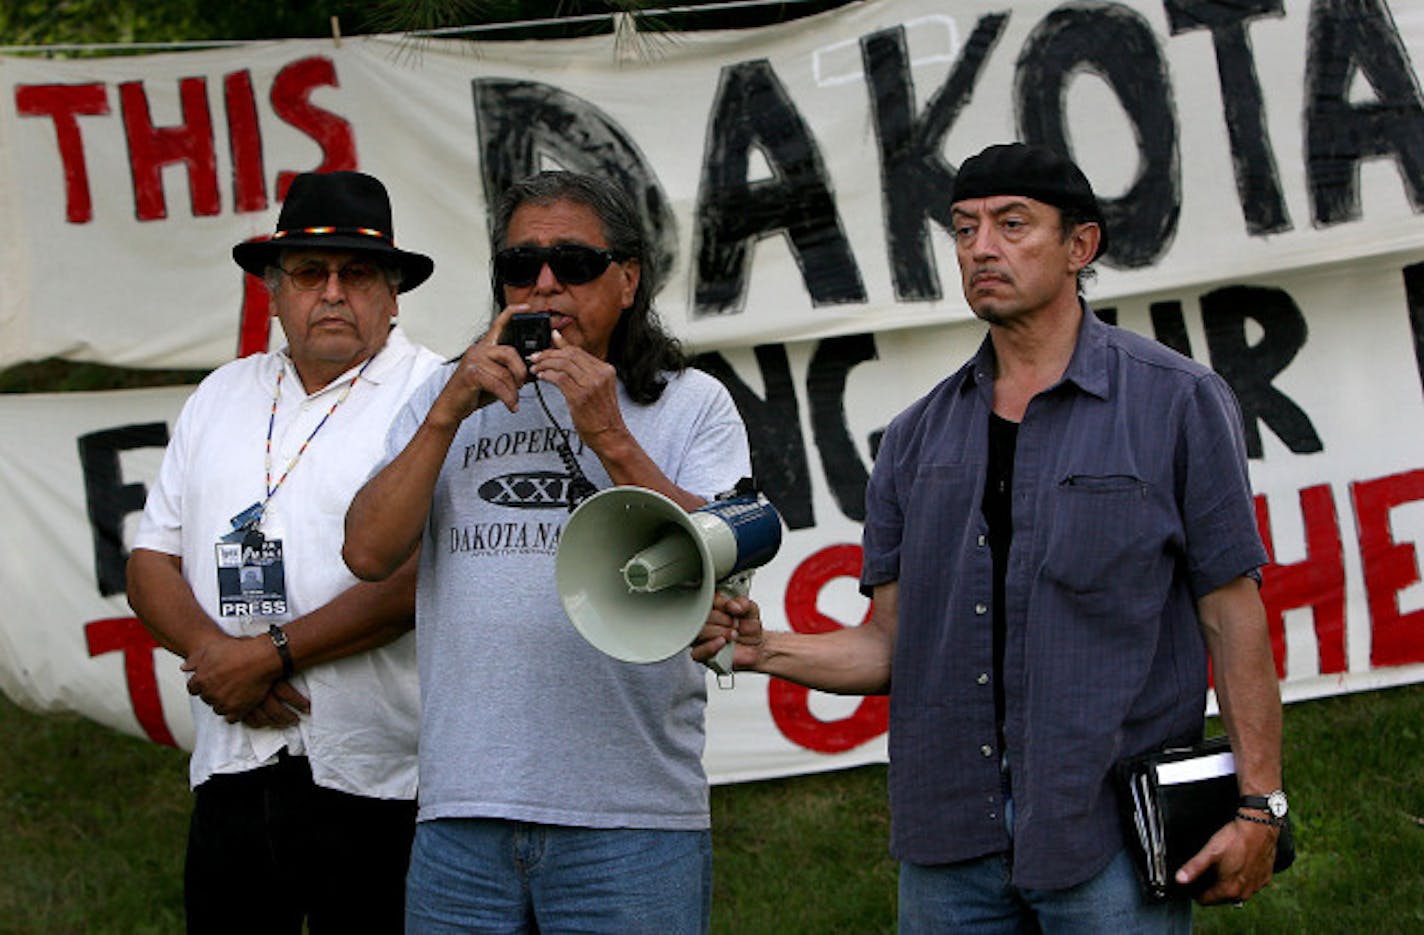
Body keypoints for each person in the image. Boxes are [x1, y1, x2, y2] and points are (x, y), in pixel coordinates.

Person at [700, 142, 1286, 931]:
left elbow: (1232, 613)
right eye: (965, 228)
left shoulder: (1176, 402)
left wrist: (1260, 804)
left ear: (1080, 246)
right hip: (950, 841)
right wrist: (762, 648)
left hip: (1106, 831)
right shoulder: (912, 440)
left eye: (1013, 224)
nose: (982, 247)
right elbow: (891, 645)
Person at [342, 170, 750, 933]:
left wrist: (609, 433)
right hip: (463, 812)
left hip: (630, 815)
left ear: (627, 279)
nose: (545, 285)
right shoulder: (446, 395)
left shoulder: (690, 400)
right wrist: (443, 416)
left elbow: (722, 553)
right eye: (520, 267)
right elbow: (367, 551)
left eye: (575, 263)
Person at [126, 170, 444, 933]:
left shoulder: (435, 393)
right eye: (309, 272)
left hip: (382, 773)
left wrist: (265, 654)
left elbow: (420, 578)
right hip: (236, 757)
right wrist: (216, 654)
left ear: (393, 292)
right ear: (274, 290)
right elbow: (149, 558)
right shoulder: (221, 393)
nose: (332, 292)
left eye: (357, 272)